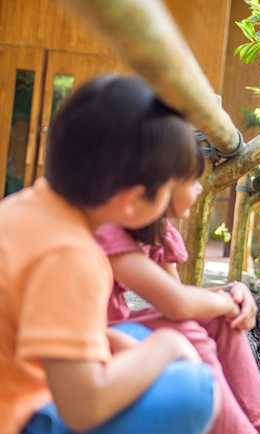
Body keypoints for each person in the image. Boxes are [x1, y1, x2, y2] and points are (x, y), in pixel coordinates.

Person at [0, 75, 221, 434]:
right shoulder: (72, 256)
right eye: (168, 187)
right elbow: (83, 408)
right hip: (19, 416)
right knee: (195, 388)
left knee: (131, 334)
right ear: (134, 200)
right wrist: (167, 344)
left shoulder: (25, 206)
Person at [94, 148, 260, 434]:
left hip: (121, 326)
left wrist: (233, 291)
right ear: (164, 183)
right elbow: (177, 306)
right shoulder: (112, 229)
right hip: (94, 336)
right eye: (193, 180)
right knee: (192, 329)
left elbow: (177, 297)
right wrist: (225, 300)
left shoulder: (155, 229)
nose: (199, 188)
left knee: (220, 319)